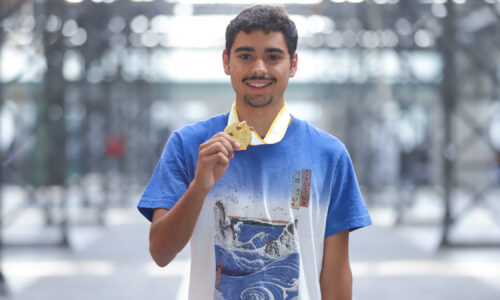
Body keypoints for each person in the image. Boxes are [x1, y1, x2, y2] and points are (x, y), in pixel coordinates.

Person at [138, 5, 371, 300]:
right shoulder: (188, 145)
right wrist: (199, 187)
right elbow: (160, 252)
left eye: (273, 57)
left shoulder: (329, 155)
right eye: (245, 56)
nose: (258, 68)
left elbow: (335, 274)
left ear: (293, 64)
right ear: (226, 62)